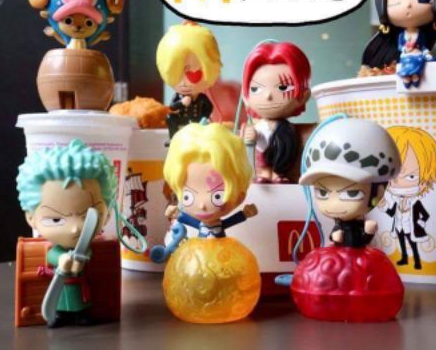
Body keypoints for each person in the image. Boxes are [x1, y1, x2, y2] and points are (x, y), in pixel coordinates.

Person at [16, 140, 139, 328]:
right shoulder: (55, 250)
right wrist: (61, 259)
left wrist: (78, 260)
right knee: (61, 301)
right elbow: (52, 255)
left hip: (78, 284)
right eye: (56, 220)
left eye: (86, 217)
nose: (75, 228)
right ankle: (60, 315)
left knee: (80, 300)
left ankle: (80, 314)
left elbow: (86, 256)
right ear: (31, 217)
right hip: (60, 285)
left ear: (107, 214)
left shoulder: (85, 249)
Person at [299, 116, 401, 248]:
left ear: (378, 192)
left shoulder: (361, 224)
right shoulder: (339, 226)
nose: (334, 204)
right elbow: (335, 236)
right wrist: (336, 237)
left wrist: (368, 232)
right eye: (322, 193)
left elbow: (363, 239)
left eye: (352, 194)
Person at [163, 122, 258, 237]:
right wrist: (177, 214)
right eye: (187, 196)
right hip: (198, 247)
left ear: (239, 197)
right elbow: (186, 219)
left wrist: (245, 214)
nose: (202, 205)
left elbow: (232, 220)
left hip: (224, 248)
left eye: (217, 196)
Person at [242, 41, 311, 183]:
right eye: (255, 89)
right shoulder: (257, 125)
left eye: (283, 88)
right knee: (263, 160)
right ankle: (265, 174)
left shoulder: (291, 129)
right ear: (246, 97)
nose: (268, 95)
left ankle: (277, 173)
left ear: (303, 96)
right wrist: (252, 136)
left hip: (284, 162)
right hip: (262, 160)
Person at [379, 126, 436, 270]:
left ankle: (417, 260)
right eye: (393, 176)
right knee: (401, 241)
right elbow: (392, 213)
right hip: (399, 226)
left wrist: (420, 223)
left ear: (425, 181)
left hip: (410, 227)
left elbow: (425, 215)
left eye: (411, 176)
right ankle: (405, 258)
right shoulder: (397, 201)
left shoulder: (415, 202)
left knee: (413, 243)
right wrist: (383, 205)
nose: (399, 183)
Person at [156, 21, 222, 139]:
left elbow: (209, 107)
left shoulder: (202, 98)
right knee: (170, 118)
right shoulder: (179, 96)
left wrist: (205, 117)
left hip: (198, 122)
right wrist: (181, 103)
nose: (191, 81)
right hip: (182, 120)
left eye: (200, 70)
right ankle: (172, 139)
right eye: (183, 71)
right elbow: (172, 107)